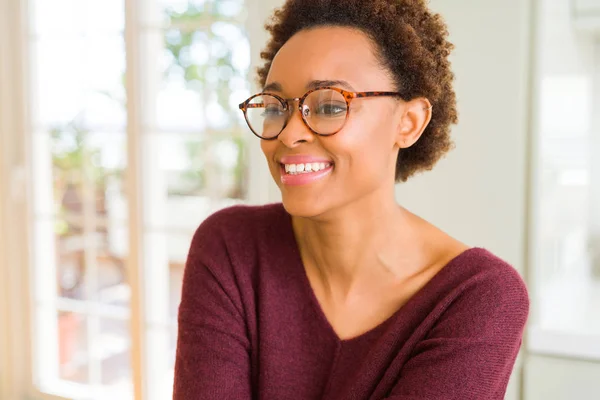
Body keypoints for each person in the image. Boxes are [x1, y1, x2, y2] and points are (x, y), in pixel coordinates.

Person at [173, 0, 529, 399]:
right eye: (275, 107)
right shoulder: (230, 247)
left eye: (328, 105)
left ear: (408, 123)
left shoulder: (478, 296)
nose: (289, 135)